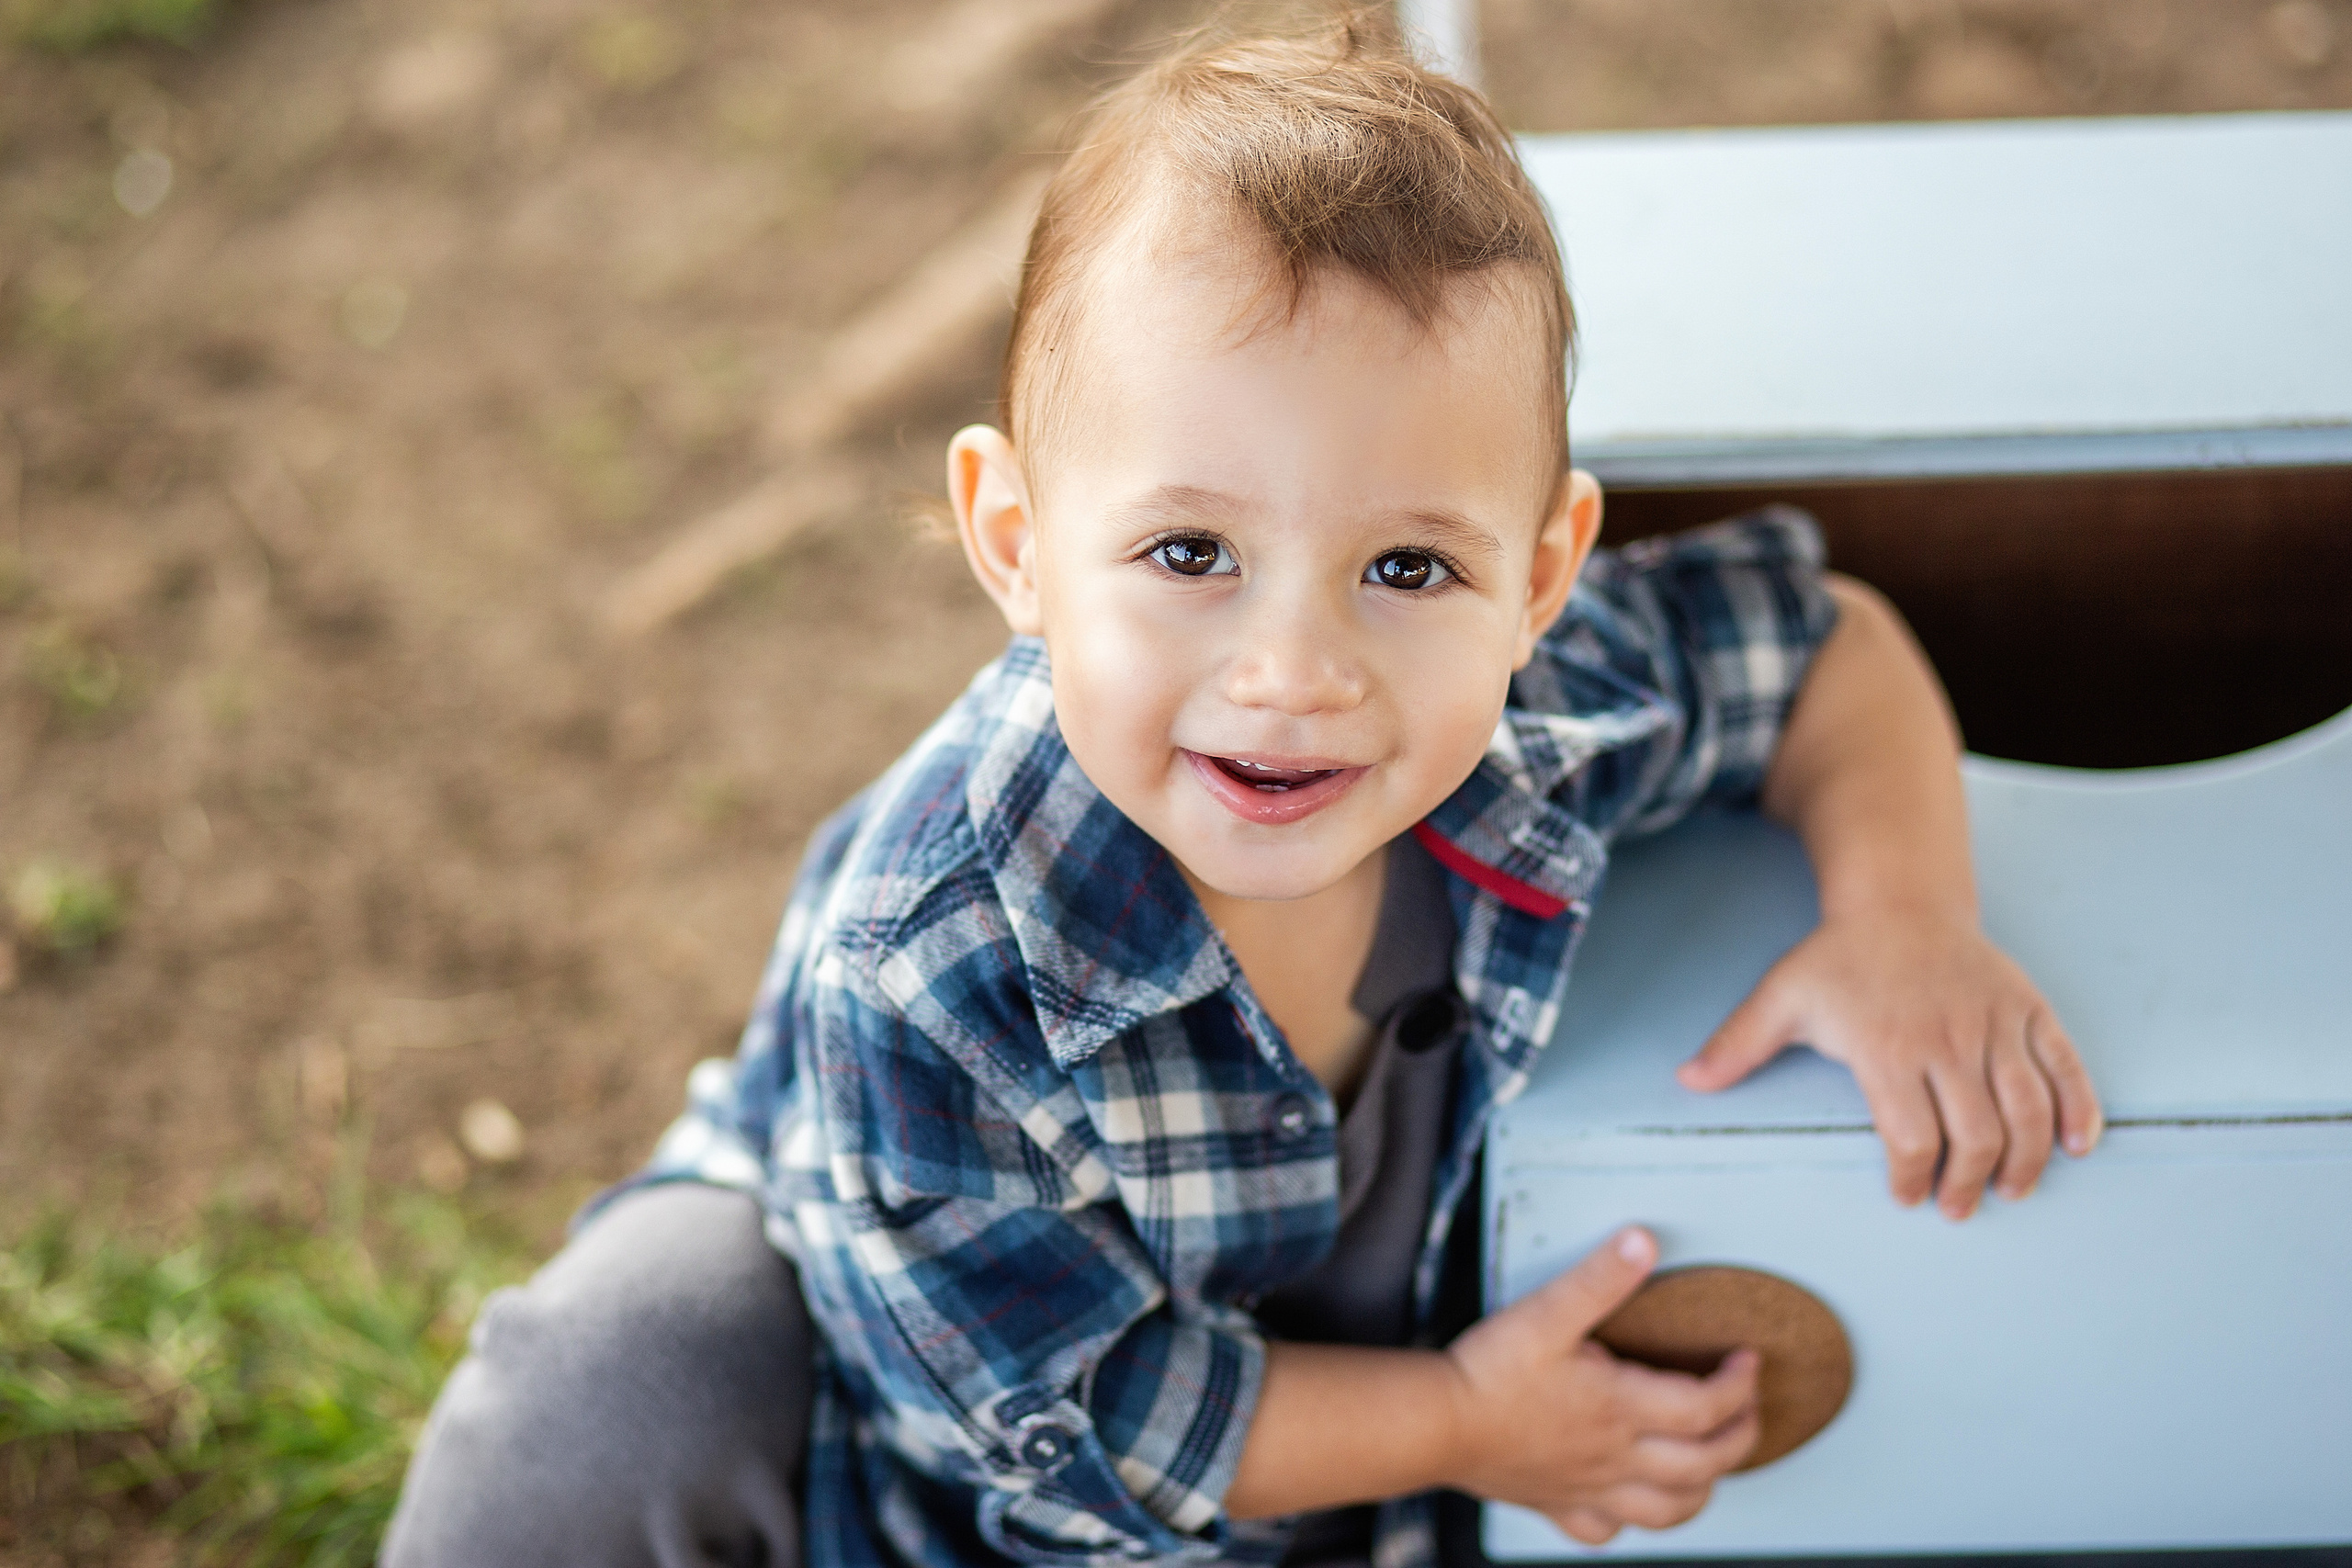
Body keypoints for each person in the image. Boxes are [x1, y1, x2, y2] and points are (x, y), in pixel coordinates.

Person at [384, 14, 2104, 1568]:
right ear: (1018, 544)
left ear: (1541, 575)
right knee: (627, 1363)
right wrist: (1468, 1424)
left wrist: (1905, 920)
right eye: (1191, 550)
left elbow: (1824, 643)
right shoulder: (932, 962)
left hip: (1329, 1474)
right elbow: (1078, 1421)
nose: (1297, 670)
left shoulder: (1542, 716)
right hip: (909, 1462)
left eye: (1410, 569)